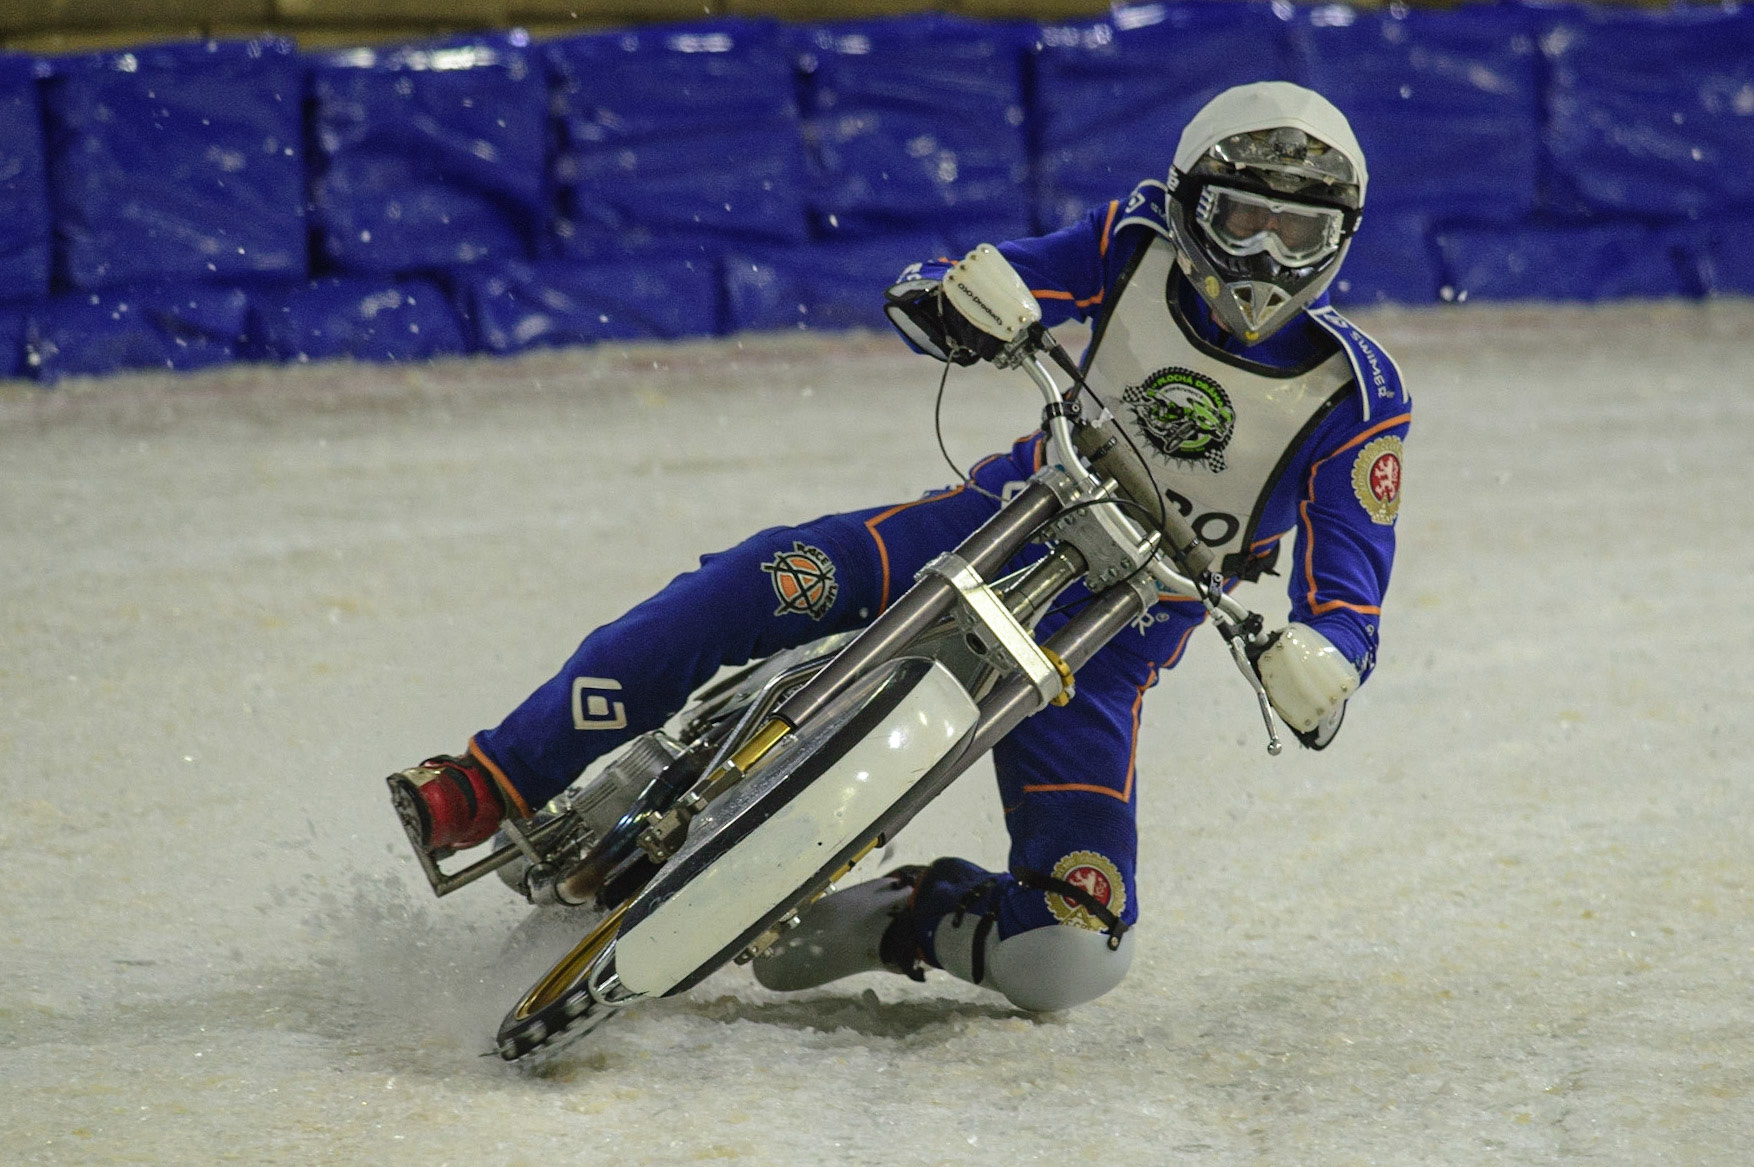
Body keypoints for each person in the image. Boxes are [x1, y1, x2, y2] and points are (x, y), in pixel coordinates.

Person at [387, 81, 1409, 1014]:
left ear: (1338, 240)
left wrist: (1328, 655)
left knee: (1073, 950)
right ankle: (491, 782)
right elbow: (969, 286)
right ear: (1191, 205)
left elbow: (1351, 581)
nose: (1265, 257)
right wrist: (956, 302)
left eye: (1296, 233)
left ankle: (892, 917)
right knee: (751, 585)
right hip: (987, 522)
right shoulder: (1130, 241)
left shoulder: (1353, 394)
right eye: (1243, 220)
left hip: (1103, 652)